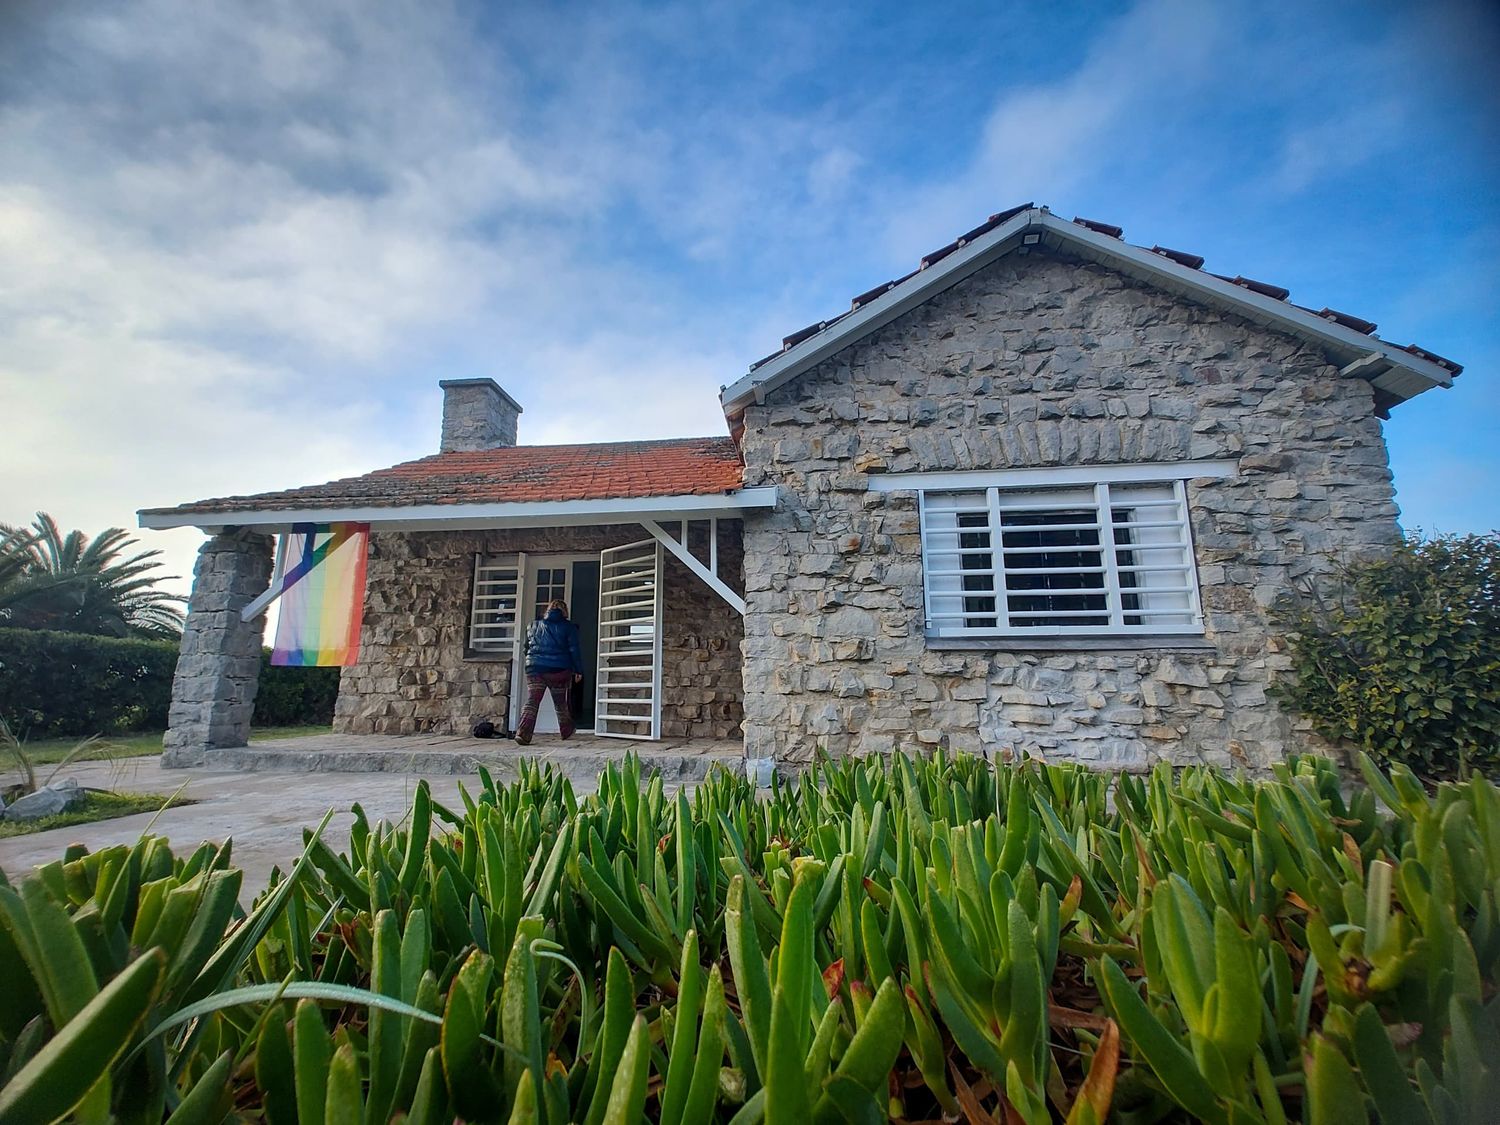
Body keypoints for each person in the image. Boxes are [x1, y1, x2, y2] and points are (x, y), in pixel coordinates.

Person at [515, 598, 584, 745]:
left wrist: (533, 662)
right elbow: (574, 651)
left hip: (535, 668)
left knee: (533, 699)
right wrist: (578, 670)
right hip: (559, 670)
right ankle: (566, 730)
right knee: (560, 701)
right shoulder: (569, 627)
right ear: (564, 611)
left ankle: (523, 732)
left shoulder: (532, 625)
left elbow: (525, 649)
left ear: (548, 610)